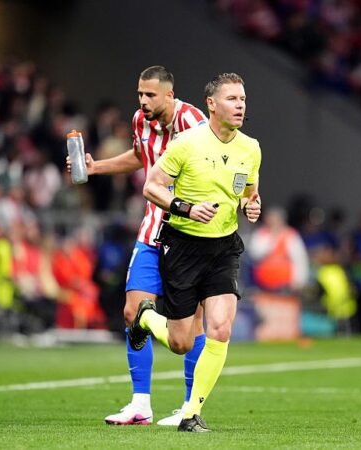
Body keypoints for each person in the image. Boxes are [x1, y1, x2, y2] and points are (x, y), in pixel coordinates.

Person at [67, 66, 208, 426]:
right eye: (139, 94)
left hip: (191, 236)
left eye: (150, 95)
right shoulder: (139, 120)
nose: (142, 101)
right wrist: (96, 167)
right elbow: (139, 156)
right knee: (133, 312)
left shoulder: (194, 123)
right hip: (151, 231)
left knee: (193, 326)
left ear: (169, 96)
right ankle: (140, 404)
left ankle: (190, 407)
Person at [129, 72, 261, 432]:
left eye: (243, 100)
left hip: (224, 247)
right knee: (180, 342)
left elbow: (249, 191)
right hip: (184, 245)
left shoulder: (251, 147)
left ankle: (191, 412)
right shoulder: (187, 143)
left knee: (220, 328)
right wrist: (184, 207)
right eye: (233, 99)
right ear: (212, 104)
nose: (240, 106)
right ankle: (146, 317)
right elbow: (151, 186)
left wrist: (251, 205)